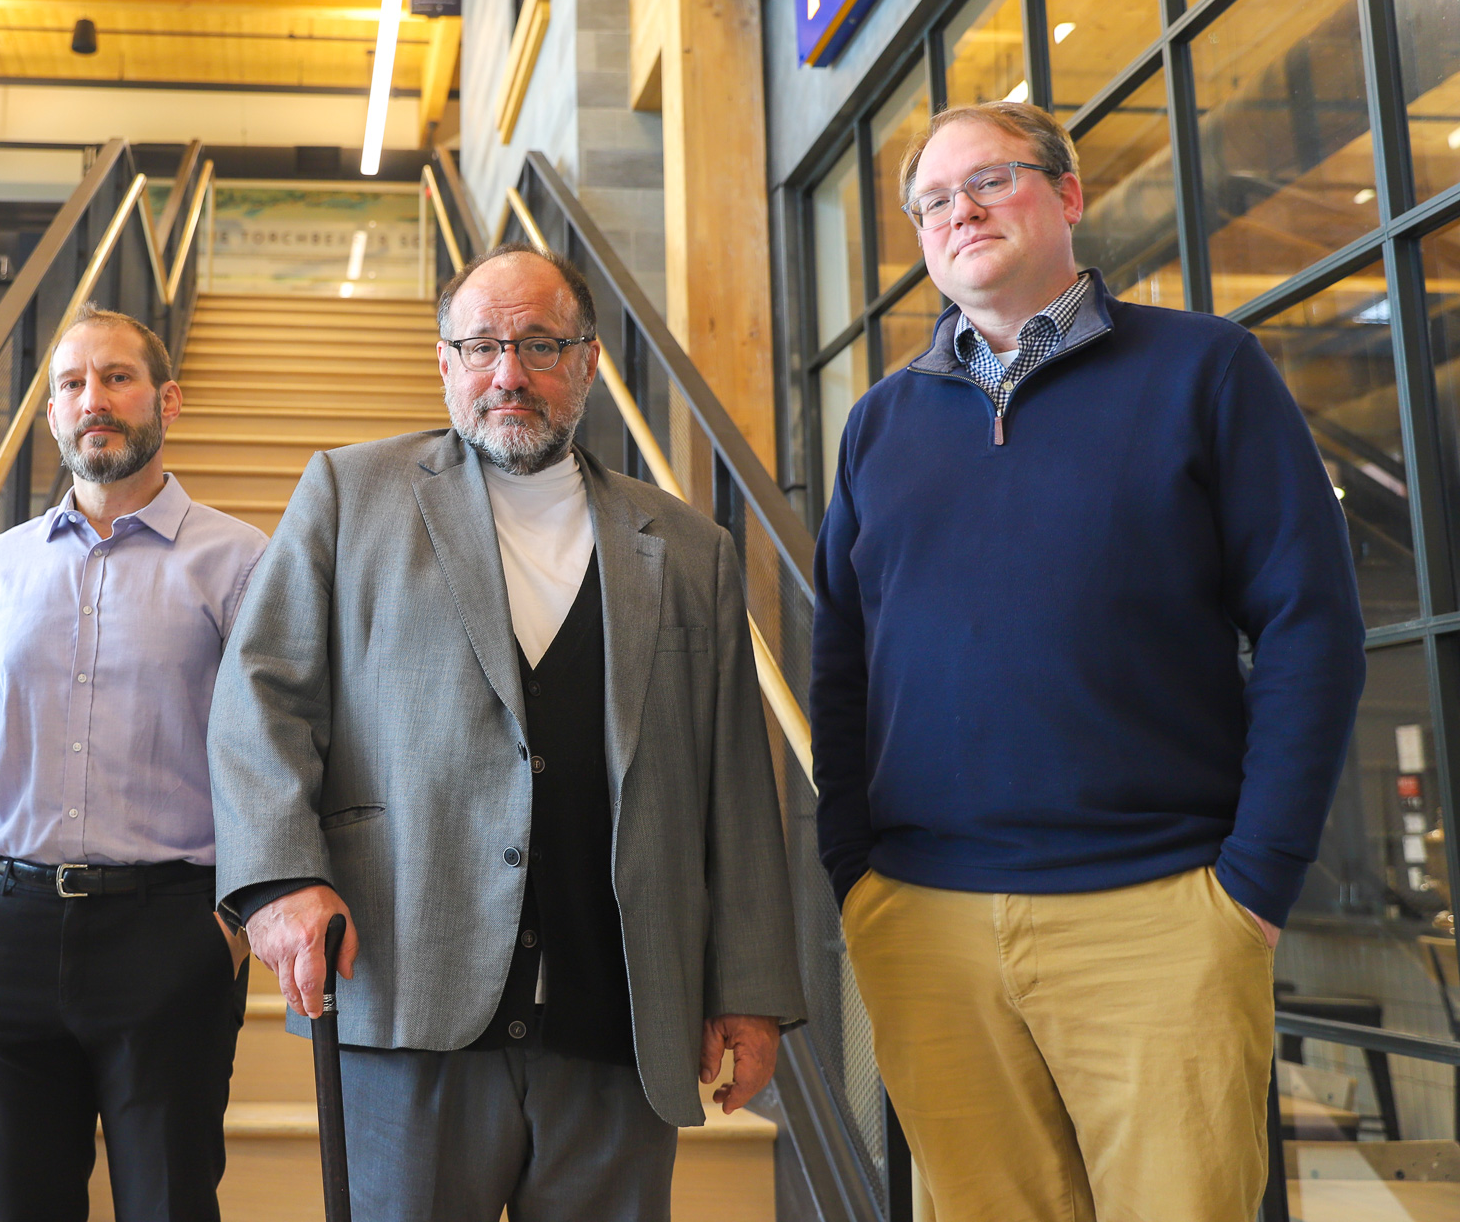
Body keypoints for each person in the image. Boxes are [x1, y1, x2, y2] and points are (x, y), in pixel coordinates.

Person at [811, 100, 1366, 1220]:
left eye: (988, 181)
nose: (956, 211)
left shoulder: (1205, 371)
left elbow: (1310, 623)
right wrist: (852, 874)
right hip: (925, 924)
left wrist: (1252, 884)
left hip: (1159, 910)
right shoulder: (878, 423)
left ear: (1065, 195)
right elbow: (840, 659)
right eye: (930, 201)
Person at [208, 245, 806, 1222]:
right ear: (442, 361)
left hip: (619, 1015)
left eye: (537, 345)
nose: (506, 374)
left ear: (587, 362)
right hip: (409, 988)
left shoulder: (689, 551)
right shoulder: (347, 496)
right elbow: (260, 695)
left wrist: (744, 984)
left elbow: (732, 783)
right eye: (480, 346)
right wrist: (276, 879)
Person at [0, 306, 266, 1222]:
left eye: (117, 377)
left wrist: (228, 928)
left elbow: (269, 755)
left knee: (170, 1204)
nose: (94, 400)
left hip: (171, 936)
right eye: (72, 384)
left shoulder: (242, 562)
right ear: (51, 416)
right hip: (3, 927)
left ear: (168, 399)